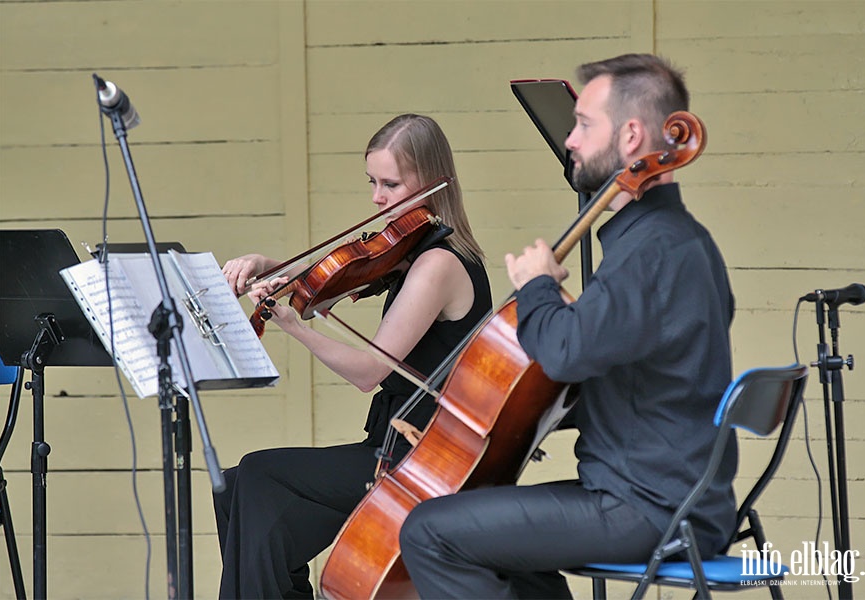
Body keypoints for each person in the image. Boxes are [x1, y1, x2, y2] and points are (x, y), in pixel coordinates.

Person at [399, 53, 737, 598]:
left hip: (647, 507)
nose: (571, 142)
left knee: (430, 532)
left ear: (631, 136)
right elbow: (624, 369)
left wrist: (536, 284)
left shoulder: (652, 251)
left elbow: (562, 351)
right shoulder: (675, 241)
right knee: (494, 539)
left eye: (583, 125)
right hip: (670, 497)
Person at [213, 114, 492, 599]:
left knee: (259, 474)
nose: (377, 198)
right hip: (390, 448)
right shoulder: (409, 252)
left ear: (430, 180)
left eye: (390, 183)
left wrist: (293, 327)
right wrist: (268, 267)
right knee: (236, 489)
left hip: (423, 460)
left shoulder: (438, 264)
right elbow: (327, 285)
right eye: (372, 182)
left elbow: (370, 372)